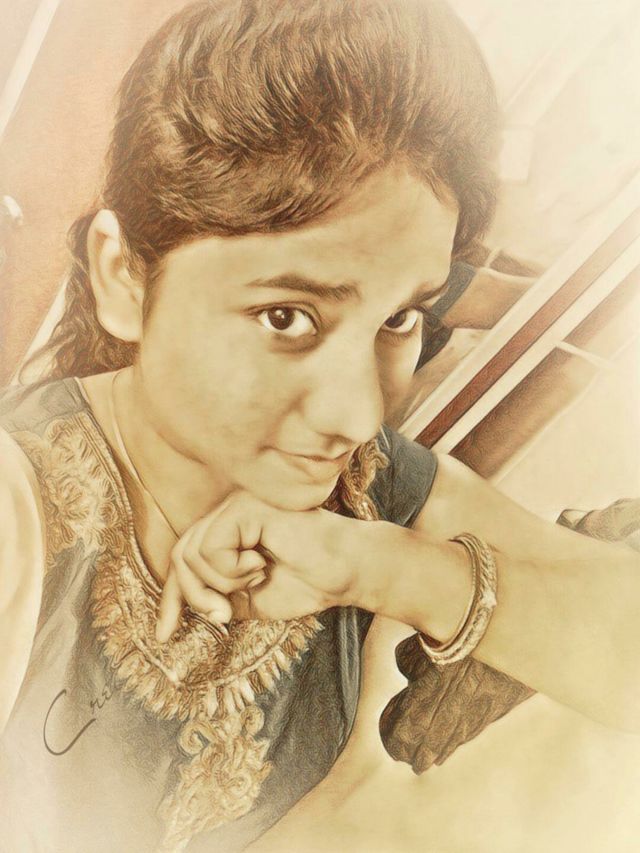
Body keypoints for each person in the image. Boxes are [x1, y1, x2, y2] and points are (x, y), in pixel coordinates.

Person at [0, 1, 638, 851]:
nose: (359, 413)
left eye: (401, 318)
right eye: (287, 317)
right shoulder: (18, 512)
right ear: (123, 277)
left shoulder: (371, 482)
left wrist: (386, 566)